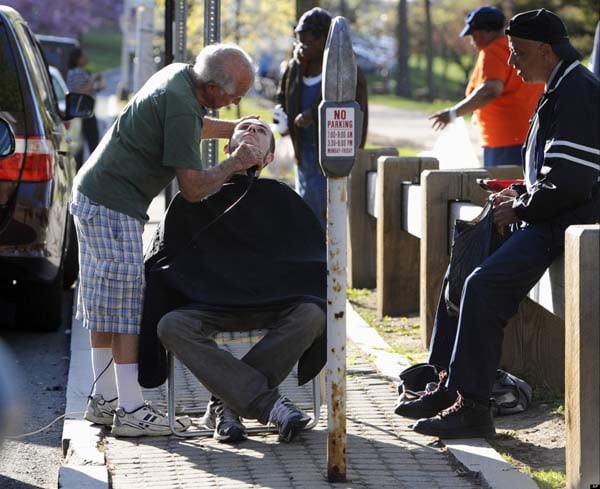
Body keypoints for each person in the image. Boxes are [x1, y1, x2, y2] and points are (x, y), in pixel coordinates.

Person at [395, 8, 600, 439]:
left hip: (566, 225)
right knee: (464, 264)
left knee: (483, 287)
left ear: (546, 51)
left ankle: (473, 407)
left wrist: (522, 206)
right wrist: (519, 194)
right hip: (548, 216)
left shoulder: (578, 90)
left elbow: (571, 181)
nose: (512, 62)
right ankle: (446, 381)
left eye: (519, 52)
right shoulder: (558, 85)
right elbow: (551, 175)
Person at [70, 43, 262, 437]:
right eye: (234, 96)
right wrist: (235, 163)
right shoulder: (180, 103)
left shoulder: (179, 77)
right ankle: (130, 409)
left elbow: (192, 124)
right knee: (124, 307)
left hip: (95, 195)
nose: (237, 102)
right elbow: (192, 188)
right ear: (211, 87)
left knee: (104, 302)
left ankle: (105, 399)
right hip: (112, 205)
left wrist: (238, 131)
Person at [137, 119, 326, 443]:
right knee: (170, 325)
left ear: (268, 159)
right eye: (245, 127)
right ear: (227, 148)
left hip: (272, 302)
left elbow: (311, 258)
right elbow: (163, 258)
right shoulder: (194, 197)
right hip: (208, 304)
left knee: (313, 315)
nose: (252, 130)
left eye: (262, 130)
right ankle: (267, 404)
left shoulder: (283, 199)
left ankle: (226, 404)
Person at [275, 7, 369, 229]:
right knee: (305, 211)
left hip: (330, 157)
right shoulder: (294, 68)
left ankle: (326, 261)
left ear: (322, 40)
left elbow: (352, 112)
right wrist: (281, 114)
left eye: (305, 41)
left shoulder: (347, 71)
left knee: (326, 216)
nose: (300, 47)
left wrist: (314, 116)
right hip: (303, 156)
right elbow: (282, 96)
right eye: (298, 40)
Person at [429, 6, 544, 167]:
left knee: (504, 189)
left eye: (473, 35)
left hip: (504, 140)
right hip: (530, 133)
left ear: (486, 33)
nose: (472, 41)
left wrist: (454, 113)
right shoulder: (519, 47)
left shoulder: (493, 50)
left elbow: (490, 89)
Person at [66, 47, 104, 166]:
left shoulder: (82, 72)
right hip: (83, 113)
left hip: (86, 112)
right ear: (78, 59)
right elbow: (80, 90)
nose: (86, 57)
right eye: (84, 56)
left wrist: (97, 83)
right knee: (91, 144)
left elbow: (92, 89)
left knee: (85, 145)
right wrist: (93, 80)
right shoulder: (76, 73)